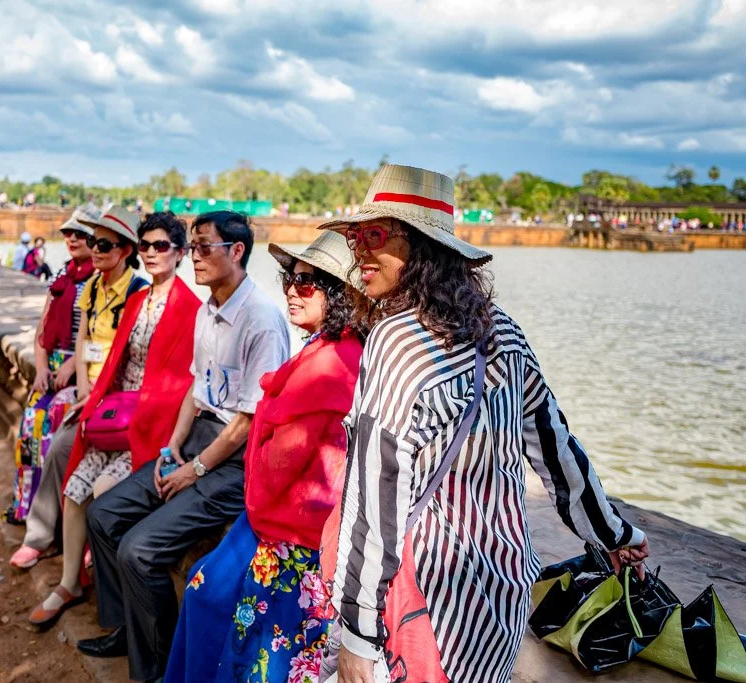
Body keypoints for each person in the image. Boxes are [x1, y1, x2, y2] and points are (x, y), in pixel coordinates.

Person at [321, 164, 650, 683]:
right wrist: (614, 533)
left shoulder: (395, 340)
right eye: (355, 236)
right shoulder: (503, 332)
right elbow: (555, 448)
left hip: (421, 598)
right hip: (497, 603)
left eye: (375, 235)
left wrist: (358, 635)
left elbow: (375, 491)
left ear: (423, 248)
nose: (358, 250)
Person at [80, 211, 290, 682]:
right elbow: (196, 392)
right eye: (192, 247)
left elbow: (246, 423)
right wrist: (171, 449)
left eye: (203, 247)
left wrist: (193, 469)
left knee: (139, 549)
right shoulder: (206, 311)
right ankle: (124, 628)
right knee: (103, 515)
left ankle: (155, 666)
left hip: (232, 465)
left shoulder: (261, 320)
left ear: (236, 252)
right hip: (194, 444)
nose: (193, 257)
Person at [166, 231, 365, 682]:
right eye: (289, 279)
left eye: (308, 283)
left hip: (293, 533)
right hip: (274, 518)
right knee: (204, 594)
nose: (293, 290)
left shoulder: (333, 365)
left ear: (340, 294)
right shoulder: (326, 347)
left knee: (248, 642)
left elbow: (280, 467)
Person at [28, 211, 201, 628]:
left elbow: (185, 383)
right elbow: (114, 362)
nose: (152, 253)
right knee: (73, 489)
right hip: (116, 417)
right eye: (146, 246)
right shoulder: (138, 301)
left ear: (179, 252)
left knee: (103, 493)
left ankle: (117, 608)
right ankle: (70, 581)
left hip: (149, 425)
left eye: (162, 246)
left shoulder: (190, 307)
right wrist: (91, 406)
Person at [8, 205, 148, 570]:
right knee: (52, 445)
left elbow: (126, 356)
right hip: (90, 392)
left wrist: (91, 395)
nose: (94, 249)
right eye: (92, 241)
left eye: (104, 243)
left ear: (126, 251)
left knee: (64, 448)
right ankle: (39, 535)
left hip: (119, 400)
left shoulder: (138, 293)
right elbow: (83, 342)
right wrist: (85, 390)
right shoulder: (89, 286)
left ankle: (81, 541)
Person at [4, 208, 99, 527]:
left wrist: (73, 363)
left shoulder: (99, 281)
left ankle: (52, 518)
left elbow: (97, 335)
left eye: (80, 234)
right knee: (29, 427)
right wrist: (42, 367)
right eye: (67, 233)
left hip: (81, 367)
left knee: (53, 434)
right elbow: (42, 330)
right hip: (53, 364)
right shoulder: (62, 276)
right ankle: (26, 505)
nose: (71, 238)